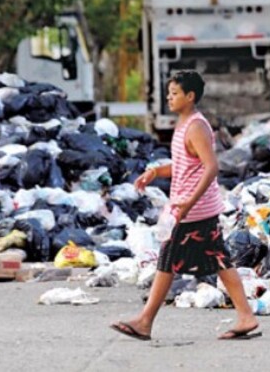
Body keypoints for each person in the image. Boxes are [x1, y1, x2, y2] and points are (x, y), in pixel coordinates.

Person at [111, 71, 259, 341]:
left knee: (168, 259)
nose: (169, 97)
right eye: (168, 93)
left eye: (175, 93)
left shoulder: (196, 127)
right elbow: (183, 165)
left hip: (192, 209)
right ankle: (246, 316)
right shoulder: (183, 124)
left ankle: (145, 321)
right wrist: (155, 172)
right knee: (219, 258)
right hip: (192, 207)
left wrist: (190, 201)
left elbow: (211, 167)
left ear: (190, 96)